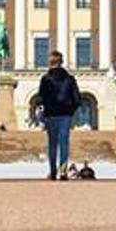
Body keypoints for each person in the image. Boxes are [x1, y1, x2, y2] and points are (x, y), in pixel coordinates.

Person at [37, 50, 80, 180]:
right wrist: (70, 110)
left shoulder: (45, 79)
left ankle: (53, 171)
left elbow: (40, 98)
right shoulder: (69, 79)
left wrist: (43, 111)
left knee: (52, 144)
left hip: (51, 115)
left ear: (50, 62)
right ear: (61, 62)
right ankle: (63, 171)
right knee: (64, 143)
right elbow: (77, 98)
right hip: (65, 115)